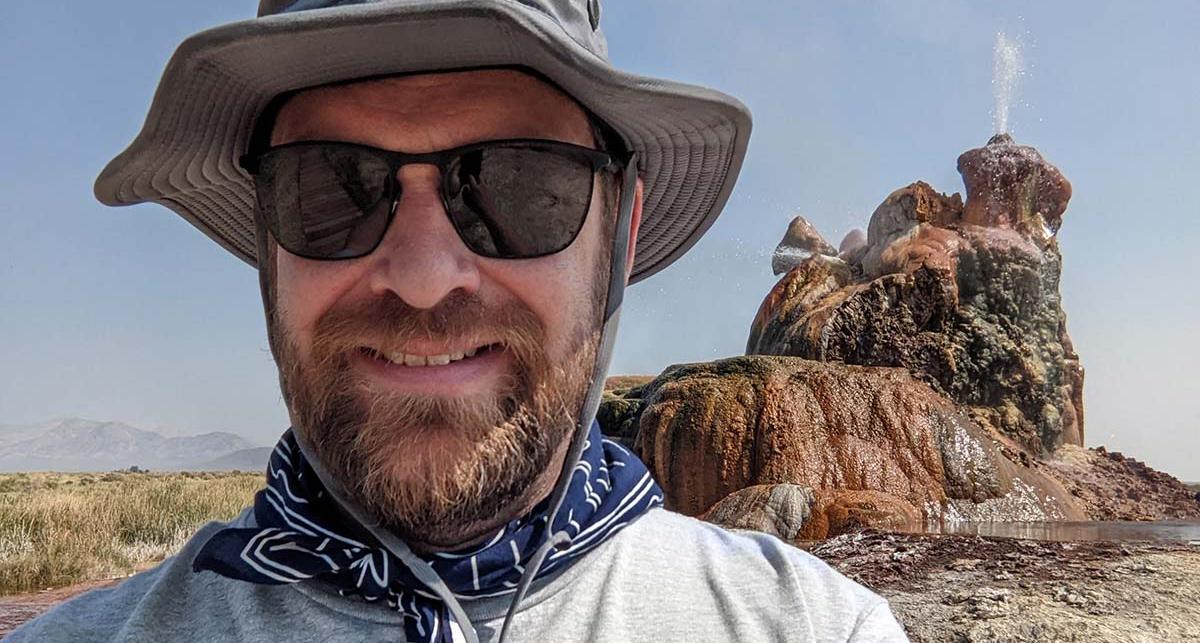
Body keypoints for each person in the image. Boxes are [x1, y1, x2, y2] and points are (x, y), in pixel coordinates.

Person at [6, 1, 908, 641]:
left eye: (518, 182)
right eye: (329, 186)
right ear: (266, 236)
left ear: (620, 234)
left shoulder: (812, 627)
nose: (426, 278)